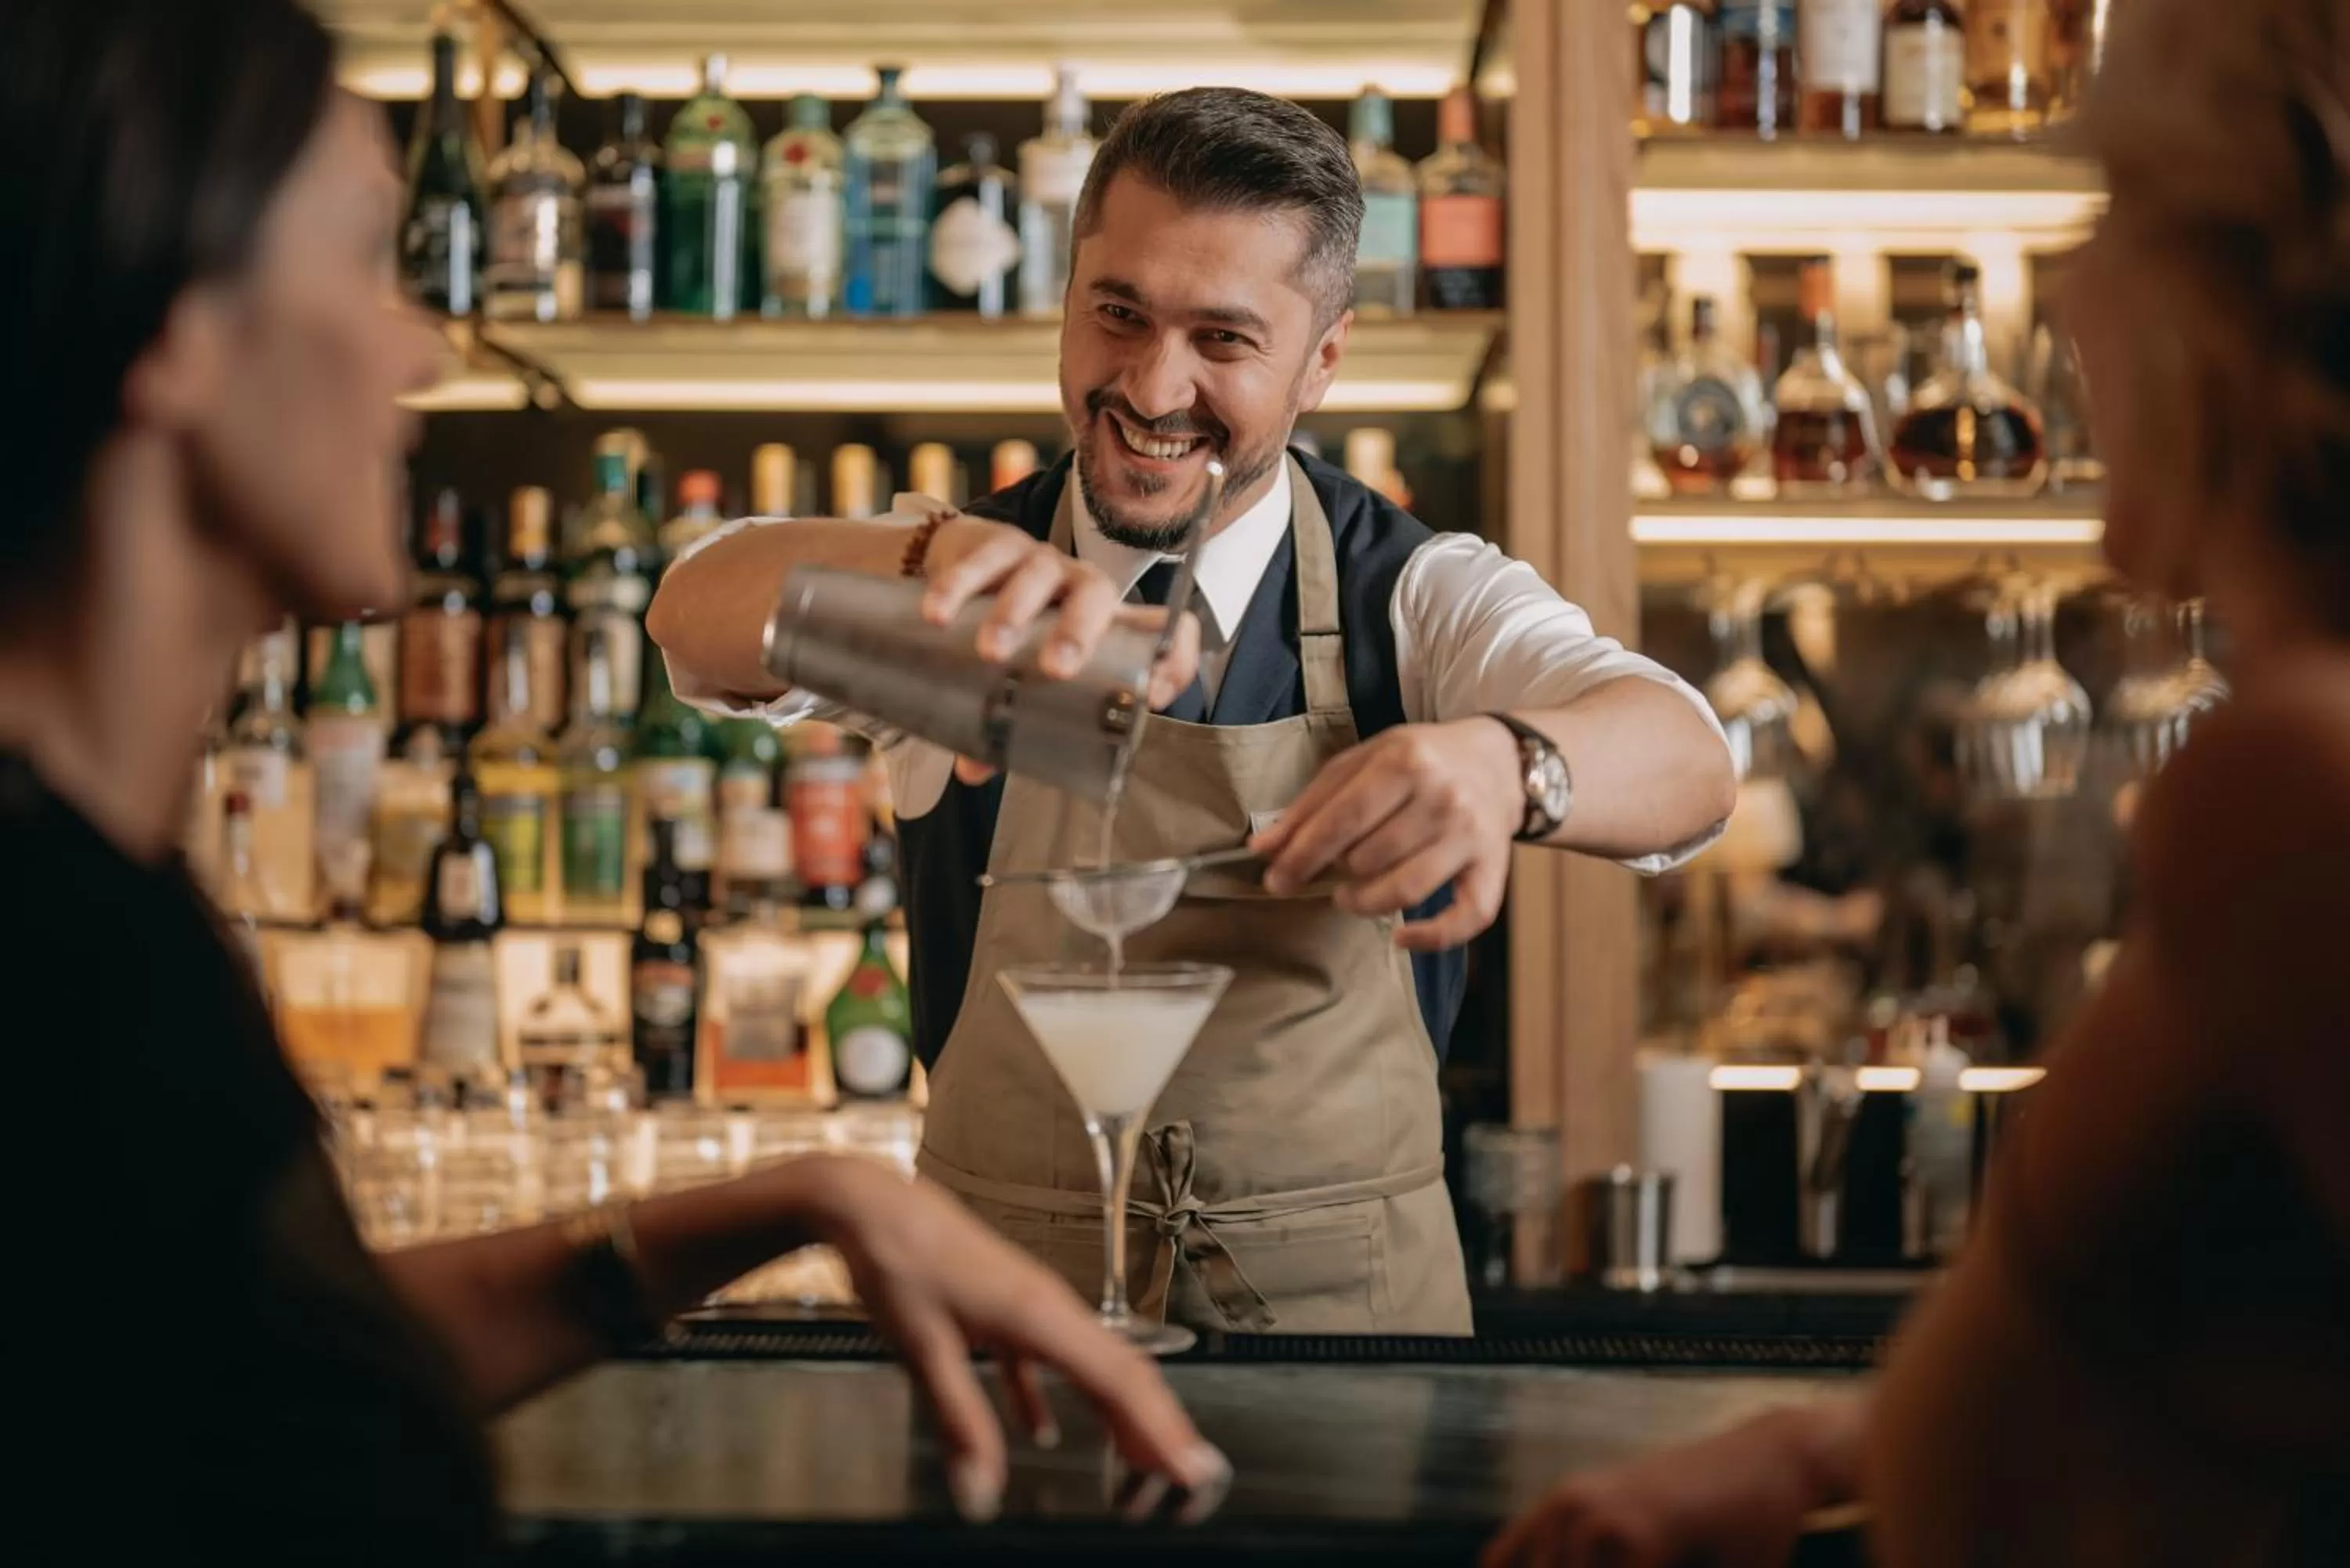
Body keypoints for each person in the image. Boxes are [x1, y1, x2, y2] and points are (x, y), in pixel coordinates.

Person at [5, 3, 1224, 1556]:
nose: (423, 342)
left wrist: (783, 1202)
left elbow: (239, 1372)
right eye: (365, 260)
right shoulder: (51, 962)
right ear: (177, 330)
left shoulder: (114, 903)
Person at [649, 89, 1738, 1339]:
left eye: (1224, 339)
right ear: (1069, 299)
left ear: (1323, 358)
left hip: (1360, 1350)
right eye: (1118, 314)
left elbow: (1689, 756)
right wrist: (918, 563)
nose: (1152, 387)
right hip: (1004, 1339)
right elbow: (692, 608)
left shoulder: (1414, 594)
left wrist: (1508, 767)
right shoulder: (961, 580)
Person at [1487, 0, 2350, 1563]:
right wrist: (1822, 1444)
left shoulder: (2291, 779)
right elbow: (2218, 1350)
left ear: (2253, 292)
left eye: (2116, 217)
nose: (2074, 287)